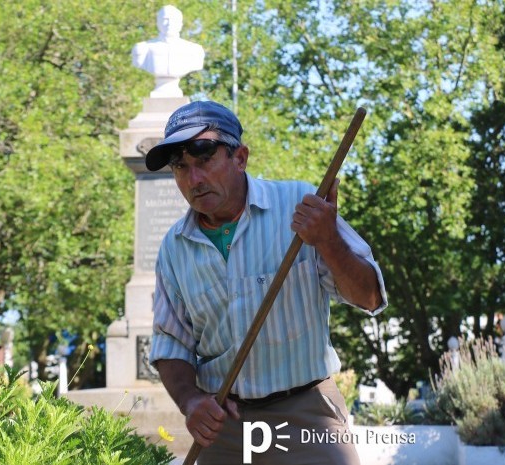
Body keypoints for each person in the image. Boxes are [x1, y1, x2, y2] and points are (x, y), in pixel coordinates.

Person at [146, 100, 387, 464]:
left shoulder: (301, 204)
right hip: (224, 427)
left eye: (205, 160)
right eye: (180, 167)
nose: (193, 180)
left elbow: (369, 296)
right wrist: (191, 401)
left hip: (308, 416)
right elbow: (171, 345)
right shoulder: (173, 249)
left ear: (240, 158)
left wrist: (328, 240)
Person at [132, 5, 205, 98]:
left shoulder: (194, 50)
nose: (169, 23)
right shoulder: (143, 49)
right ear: (158, 23)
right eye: (165, 19)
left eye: (173, 19)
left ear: (180, 23)